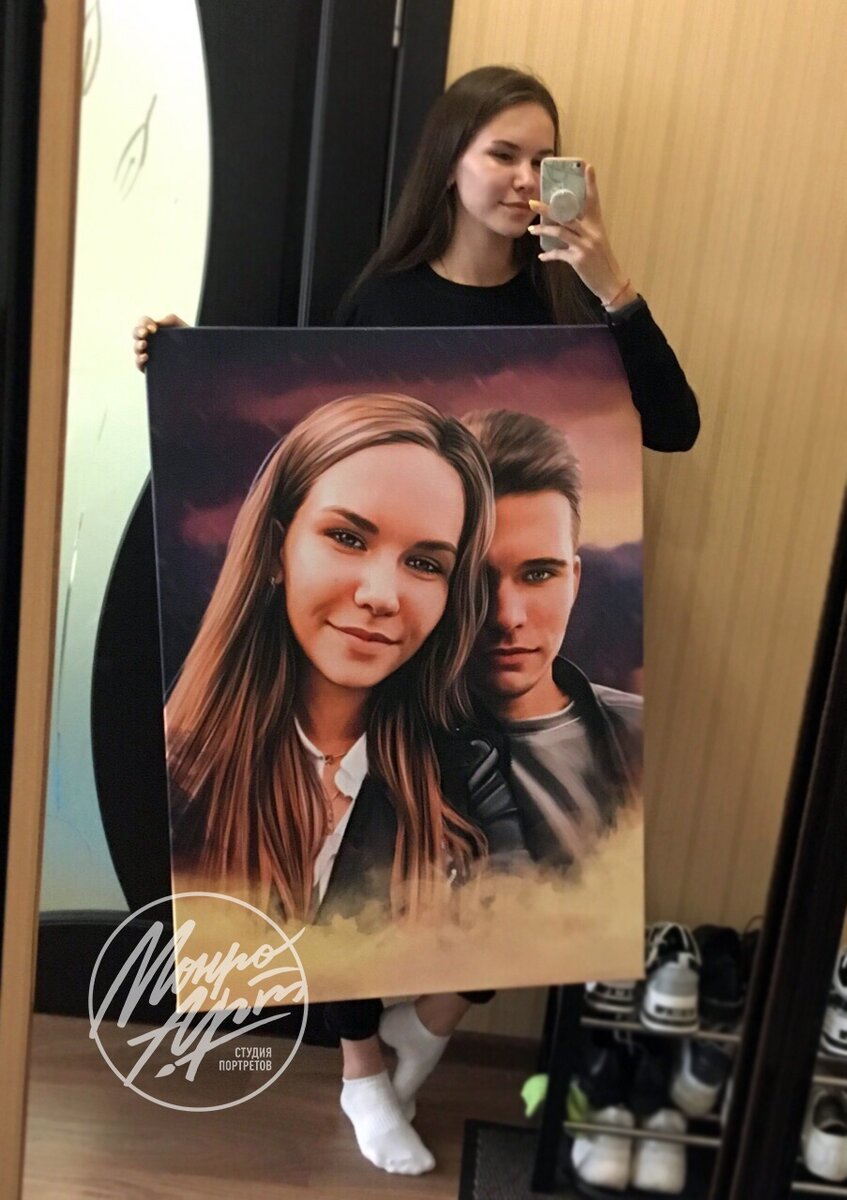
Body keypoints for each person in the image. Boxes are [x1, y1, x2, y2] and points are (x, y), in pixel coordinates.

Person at [132, 61, 698, 1176]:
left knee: (520, 874)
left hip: (488, 648)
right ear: (449, 163)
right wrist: (180, 355)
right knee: (355, 858)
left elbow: (672, 423)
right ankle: (359, 1071)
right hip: (396, 646)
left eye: (543, 158)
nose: (525, 178)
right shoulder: (381, 303)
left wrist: (610, 281)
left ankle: (423, 1036)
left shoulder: (564, 310)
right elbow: (305, 420)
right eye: (502, 153)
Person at [166, 392, 526, 1174]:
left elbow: (528, 910)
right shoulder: (185, 761)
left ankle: (405, 1044)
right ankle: (362, 1072)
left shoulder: (460, 759)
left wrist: (430, 1023)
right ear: (275, 549)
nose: (380, 595)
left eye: (424, 563)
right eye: (346, 537)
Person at [463, 408, 642, 868]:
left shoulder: (646, 736)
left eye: (539, 574)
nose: (507, 617)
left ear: (574, 581)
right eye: (475, 581)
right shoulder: (377, 755)